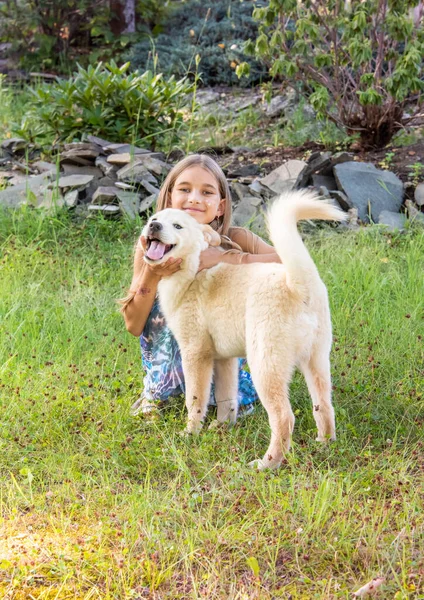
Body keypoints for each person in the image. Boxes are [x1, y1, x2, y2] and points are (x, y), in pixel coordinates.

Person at [120, 154, 280, 417]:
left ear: (220, 206)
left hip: (225, 373)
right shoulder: (152, 246)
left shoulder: (235, 238)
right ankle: (165, 395)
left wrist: (229, 258)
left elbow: (291, 261)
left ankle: (225, 401)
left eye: (206, 192)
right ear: (170, 196)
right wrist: (152, 273)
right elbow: (133, 325)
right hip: (165, 385)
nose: (194, 198)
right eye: (185, 189)